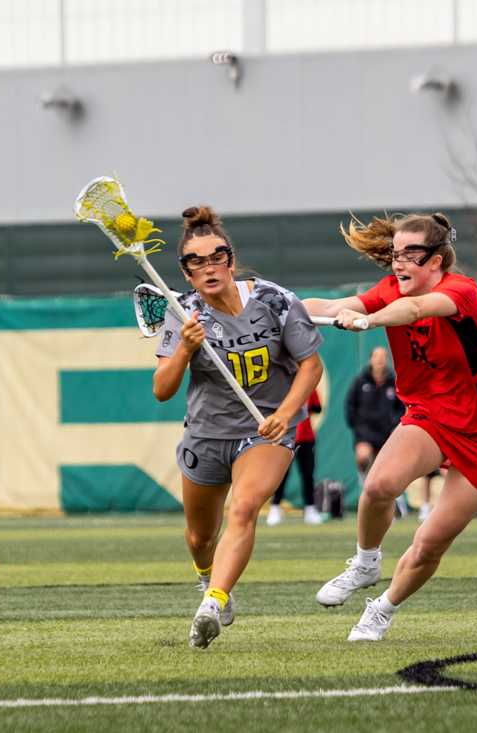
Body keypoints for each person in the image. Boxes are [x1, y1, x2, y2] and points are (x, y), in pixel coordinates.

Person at [303, 212, 477, 642]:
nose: (398, 263)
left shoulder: (461, 291)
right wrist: (271, 311)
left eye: (410, 255)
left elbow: (417, 308)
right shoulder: (389, 290)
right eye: (395, 254)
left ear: (437, 260)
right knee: (378, 486)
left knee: (429, 542)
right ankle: (366, 562)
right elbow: (329, 308)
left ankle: (382, 609)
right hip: (430, 415)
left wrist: (372, 320)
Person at [152, 206, 323, 649]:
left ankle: (213, 601)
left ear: (231, 259)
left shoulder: (276, 301)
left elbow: (310, 366)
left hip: (266, 429)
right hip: (207, 432)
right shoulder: (182, 312)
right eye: (196, 262)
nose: (208, 268)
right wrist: (185, 350)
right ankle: (208, 577)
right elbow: (162, 389)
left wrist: (285, 414)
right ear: (186, 273)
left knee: (243, 509)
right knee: (199, 536)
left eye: (216, 257)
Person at [344, 347, 412, 516]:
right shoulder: (360, 381)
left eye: (383, 357)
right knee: (362, 457)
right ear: (371, 359)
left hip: (387, 434)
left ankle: (396, 504)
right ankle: (366, 491)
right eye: (376, 356)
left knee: (390, 469)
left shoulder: (393, 382)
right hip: (365, 433)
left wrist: (394, 426)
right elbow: (350, 406)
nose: (380, 360)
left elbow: (401, 407)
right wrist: (358, 428)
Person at [267, 390, 323, 526]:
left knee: (308, 474)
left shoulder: (309, 387)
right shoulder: (282, 386)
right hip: (285, 436)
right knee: (282, 474)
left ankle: (310, 508)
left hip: (307, 438)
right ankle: (275, 508)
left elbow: (317, 408)